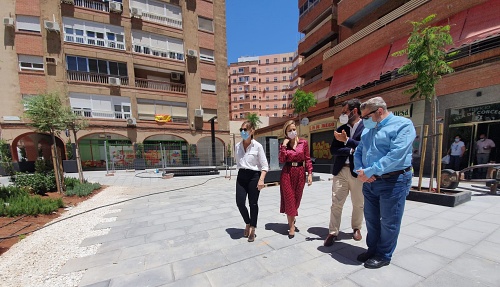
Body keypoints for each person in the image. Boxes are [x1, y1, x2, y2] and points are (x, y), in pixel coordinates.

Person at [353, 96, 415, 269]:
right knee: (371, 219)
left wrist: (370, 171)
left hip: (394, 180)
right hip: (369, 182)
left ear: (379, 111)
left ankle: (384, 255)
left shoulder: (403, 125)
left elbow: (396, 155)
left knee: (389, 221)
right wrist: (360, 171)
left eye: (366, 117)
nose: (363, 121)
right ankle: (372, 249)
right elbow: (358, 152)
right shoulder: (367, 130)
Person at [324, 99, 365, 247]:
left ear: (354, 111)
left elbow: (366, 147)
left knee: (358, 203)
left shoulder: (366, 127)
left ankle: (356, 228)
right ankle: (333, 232)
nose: (343, 115)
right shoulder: (341, 128)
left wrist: (347, 141)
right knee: (336, 203)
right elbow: (334, 150)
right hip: (341, 170)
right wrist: (351, 150)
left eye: (345, 112)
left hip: (358, 172)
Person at [235, 121, 269, 242]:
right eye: (241, 129)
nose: (243, 132)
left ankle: (253, 228)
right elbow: (239, 162)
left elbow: (265, 166)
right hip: (241, 175)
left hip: (254, 176)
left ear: (252, 131)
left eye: (245, 129)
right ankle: (248, 222)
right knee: (239, 202)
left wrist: (261, 180)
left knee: (253, 204)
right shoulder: (237, 146)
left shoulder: (257, 146)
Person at [279, 120, 313, 239]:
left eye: (294, 129)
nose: (293, 132)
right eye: (290, 130)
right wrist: (283, 145)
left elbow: (308, 159)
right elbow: (282, 160)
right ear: (286, 133)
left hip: (299, 173)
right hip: (287, 173)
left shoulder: (303, 143)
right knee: (289, 199)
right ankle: (291, 226)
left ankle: (292, 216)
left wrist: (309, 173)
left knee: (297, 199)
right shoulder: (284, 145)